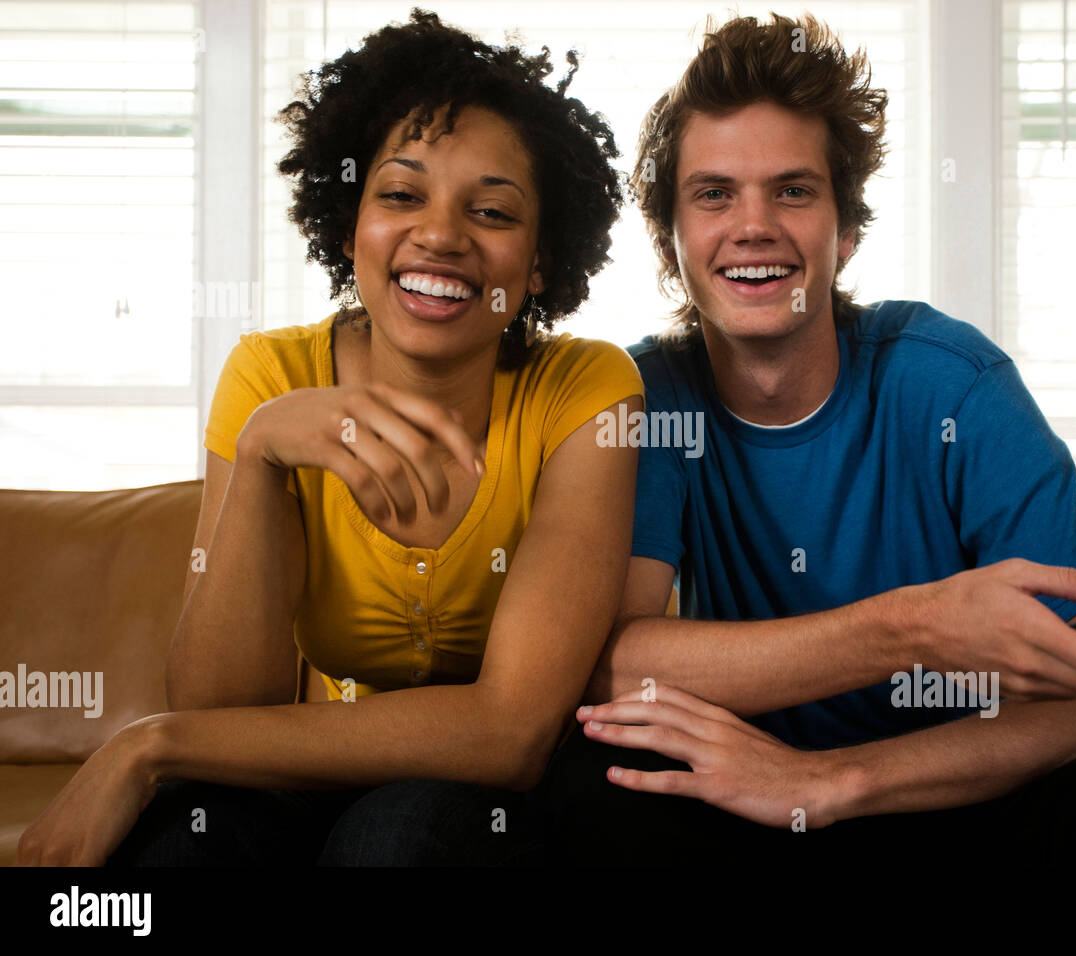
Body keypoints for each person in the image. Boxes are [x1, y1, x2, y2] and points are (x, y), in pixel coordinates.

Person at [545, 12, 1076, 866]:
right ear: (672, 242)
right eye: (715, 193)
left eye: (794, 191)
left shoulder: (947, 381)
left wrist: (832, 781)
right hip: (746, 813)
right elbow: (604, 669)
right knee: (583, 782)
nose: (754, 225)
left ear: (845, 234)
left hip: (948, 801)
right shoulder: (646, 398)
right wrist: (915, 628)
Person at [17, 9, 642, 866]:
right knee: (179, 853)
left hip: (479, 805)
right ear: (350, 225)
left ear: (538, 261)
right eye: (399, 194)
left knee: (398, 842)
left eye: (492, 211)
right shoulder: (270, 376)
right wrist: (265, 456)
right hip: (286, 777)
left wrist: (146, 743)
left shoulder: (588, 389)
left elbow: (507, 734)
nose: (441, 234)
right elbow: (222, 703)